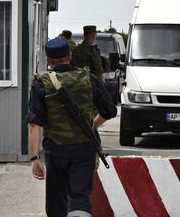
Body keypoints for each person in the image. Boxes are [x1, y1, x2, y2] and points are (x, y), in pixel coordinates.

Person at [27, 37, 117, 217]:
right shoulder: (88, 78)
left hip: (56, 149)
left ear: (48, 60)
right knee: (80, 196)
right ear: (70, 56)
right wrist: (91, 126)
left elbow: (34, 124)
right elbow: (109, 110)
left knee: (56, 199)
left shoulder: (41, 84)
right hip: (84, 148)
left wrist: (34, 158)